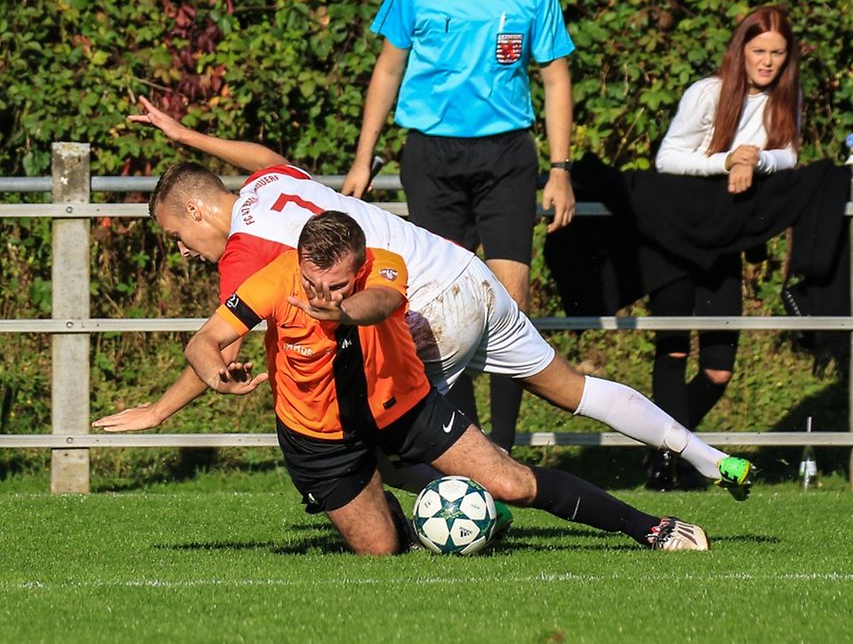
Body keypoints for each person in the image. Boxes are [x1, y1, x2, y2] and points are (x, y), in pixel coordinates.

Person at [94, 96, 753, 499]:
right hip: (469, 274)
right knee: (573, 387)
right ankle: (709, 457)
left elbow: (218, 341)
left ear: (199, 215)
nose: (180, 250)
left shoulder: (244, 249)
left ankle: (473, 508)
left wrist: (159, 409)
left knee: (367, 448)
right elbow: (259, 153)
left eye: (176, 236)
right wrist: (187, 139)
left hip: (424, 308)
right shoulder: (268, 186)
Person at [185, 210, 709, 555]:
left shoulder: (383, 270)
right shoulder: (275, 279)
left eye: (337, 283)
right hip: (316, 437)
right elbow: (203, 341)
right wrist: (216, 373)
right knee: (382, 553)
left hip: (405, 409)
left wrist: (341, 308)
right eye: (312, 283)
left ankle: (648, 527)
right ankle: (384, 510)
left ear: (361, 265)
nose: (320, 292)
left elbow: (380, 306)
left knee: (512, 483)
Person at [340, 0, 575, 451]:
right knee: (446, 306)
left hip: (507, 156)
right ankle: (465, 451)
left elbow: (555, 77)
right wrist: (363, 160)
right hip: (432, 158)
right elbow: (388, 68)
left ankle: (505, 448)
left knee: (511, 302)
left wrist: (561, 168)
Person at [643, 6, 801, 490]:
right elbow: (666, 158)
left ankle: (667, 445)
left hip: (723, 244)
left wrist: (756, 158)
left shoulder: (786, 99)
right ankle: (664, 465)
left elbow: (790, 155)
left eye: (777, 52)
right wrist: (726, 161)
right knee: (672, 351)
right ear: (741, 49)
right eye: (759, 51)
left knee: (717, 369)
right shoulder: (707, 94)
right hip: (674, 234)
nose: (768, 61)